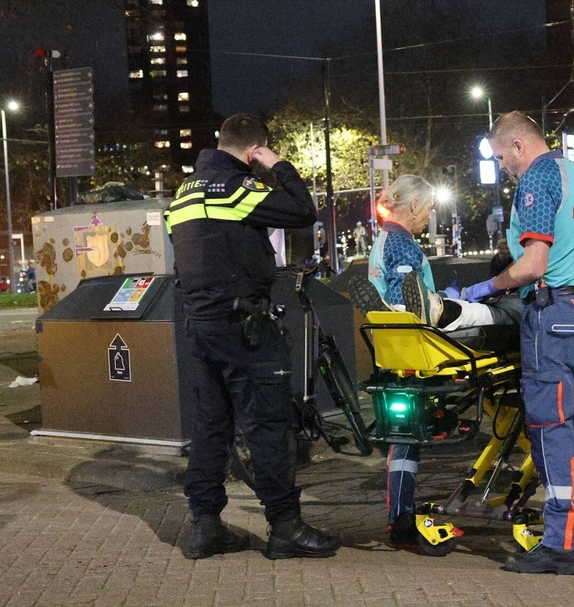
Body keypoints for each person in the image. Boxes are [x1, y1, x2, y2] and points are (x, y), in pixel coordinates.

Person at [164, 114, 340, 560]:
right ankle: (285, 528)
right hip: (245, 327)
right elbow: (303, 212)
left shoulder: (182, 195)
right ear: (253, 149)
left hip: (200, 329)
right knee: (268, 425)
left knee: (211, 427)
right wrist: (278, 165)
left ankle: (205, 527)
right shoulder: (236, 189)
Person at [463, 111, 574, 575]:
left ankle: (560, 546)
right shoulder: (573, 173)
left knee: (550, 428)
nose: (504, 167)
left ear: (520, 147)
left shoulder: (536, 181)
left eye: (503, 157)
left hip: (555, 314)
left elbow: (532, 265)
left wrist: (485, 288)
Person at [366, 174, 519, 553]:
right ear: (415, 205)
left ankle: (400, 519)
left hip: (398, 351)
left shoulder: (383, 241)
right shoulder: (402, 245)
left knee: (403, 443)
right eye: (429, 208)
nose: (429, 215)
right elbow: (408, 303)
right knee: (504, 315)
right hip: (427, 347)